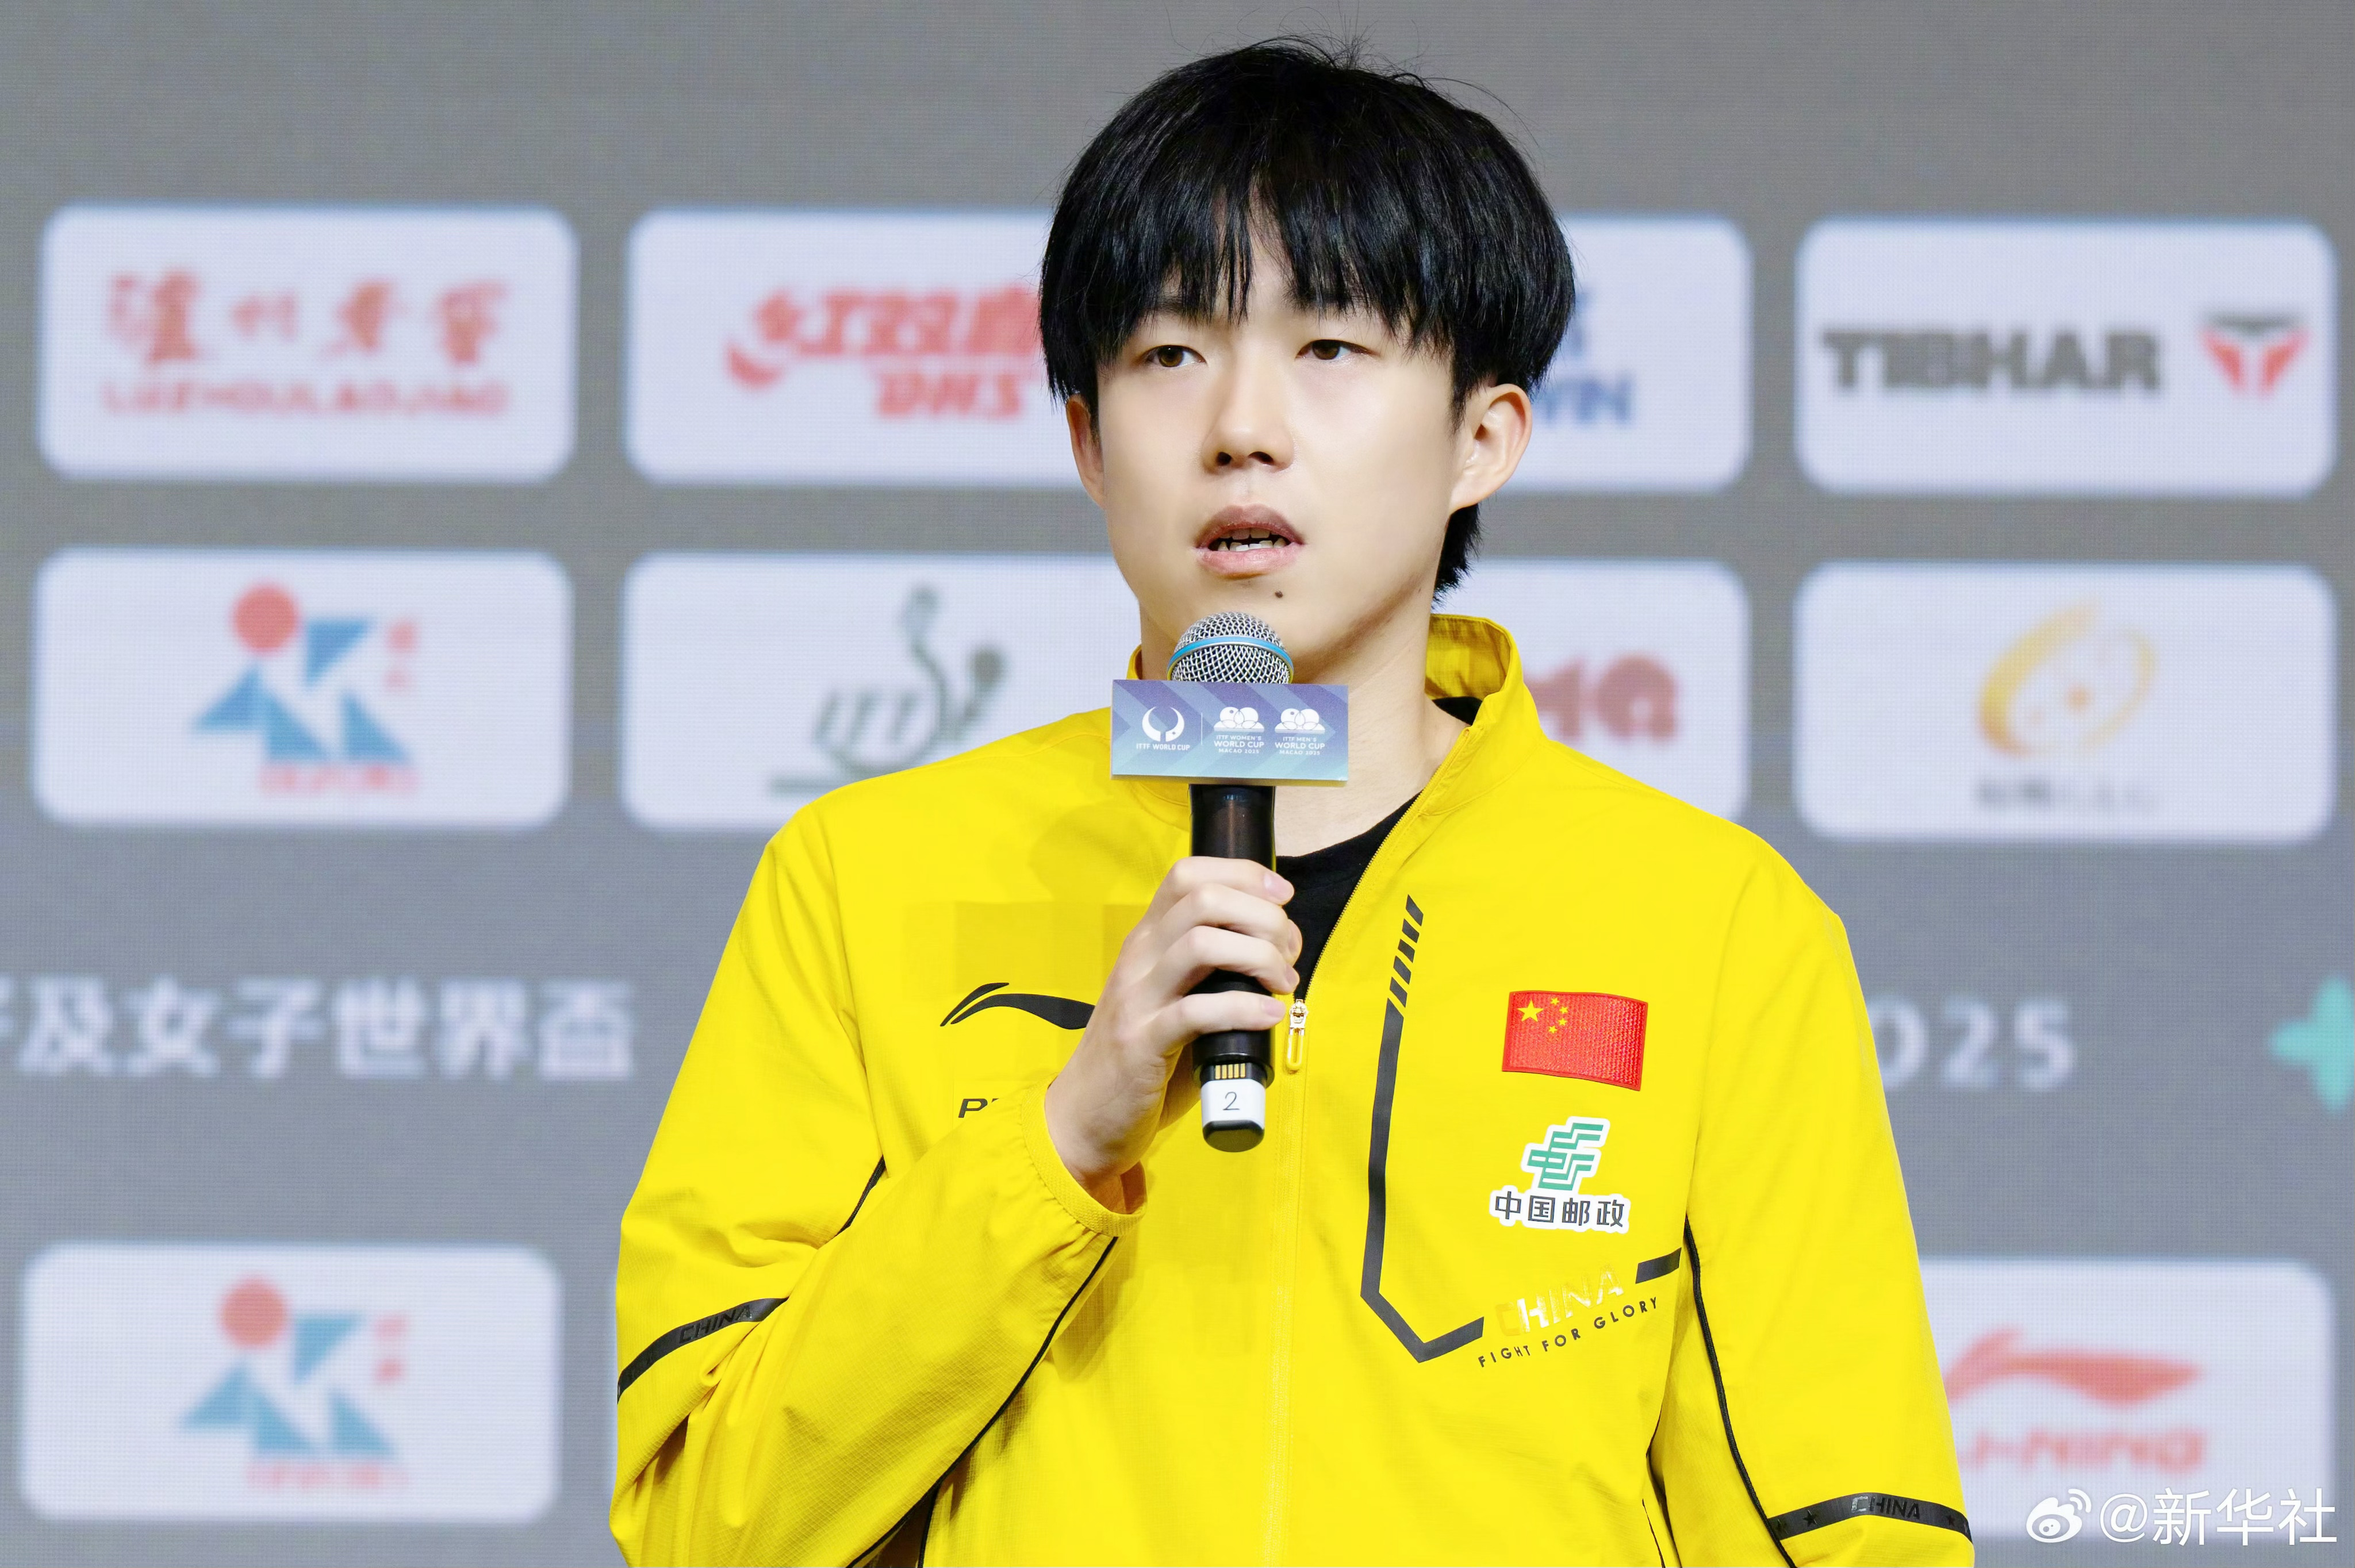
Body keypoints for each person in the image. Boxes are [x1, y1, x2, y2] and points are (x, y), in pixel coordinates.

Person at [613, 38, 1970, 1568]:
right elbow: (704, 1523)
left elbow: (1840, 1526)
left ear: (1480, 439)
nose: (1241, 427)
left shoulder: (1709, 923)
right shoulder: (865, 880)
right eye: (1168, 355)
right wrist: (1055, 1144)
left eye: (1329, 348)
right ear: (1086, 440)